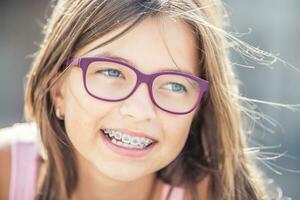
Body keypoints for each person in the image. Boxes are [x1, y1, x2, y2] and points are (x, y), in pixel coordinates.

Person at [0, 0, 280, 199]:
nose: (139, 110)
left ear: (199, 107)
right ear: (57, 88)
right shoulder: (6, 174)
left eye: (174, 84)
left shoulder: (218, 195)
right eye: (111, 72)